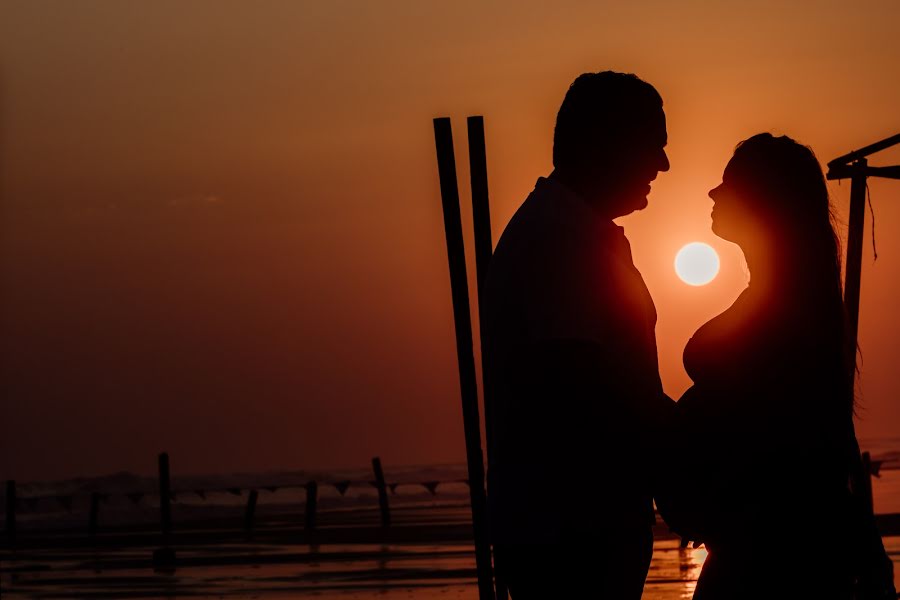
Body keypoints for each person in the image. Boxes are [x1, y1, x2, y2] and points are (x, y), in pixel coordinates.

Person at [656, 133, 895, 599]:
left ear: (763, 202)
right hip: (754, 550)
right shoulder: (784, 299)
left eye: (728, 183)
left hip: (770, 562)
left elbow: (804, 445)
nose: (713, 193)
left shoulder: (788, 309)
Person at [483, 71, 674, 599]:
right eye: (652, 145)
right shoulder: (560, 241)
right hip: (572, 539)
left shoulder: (582, 235)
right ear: (606, 142)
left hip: (582, 529)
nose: (663, 164)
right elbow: (580, 388)